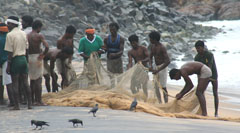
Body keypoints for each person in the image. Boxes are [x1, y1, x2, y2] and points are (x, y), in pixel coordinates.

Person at [4, 16, 32, 110]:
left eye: (8, 24)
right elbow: (27, 49)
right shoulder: (23, 33)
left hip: (15, 60)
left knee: (15, 83)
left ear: (12, 24)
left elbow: (10, 52)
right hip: (23, 58)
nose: (7, 26)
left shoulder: (10, 35)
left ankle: (17, 105)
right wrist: (27, 61)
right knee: (25, 82)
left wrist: (8, 65)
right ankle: (30, 104)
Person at [194, 40, 219, 117]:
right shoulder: (197, 57)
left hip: (213, 75)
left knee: (215, 92)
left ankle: (216, 113)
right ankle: (204, 111)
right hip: (203, 75)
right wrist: (199, 80)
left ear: (203, 47)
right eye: (196, 48)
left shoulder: (209, 54)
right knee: (201, 92)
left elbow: (209, 67)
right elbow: (197, 70)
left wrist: (206, 78)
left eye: (199, 48)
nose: (198, 50)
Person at [27, 20, 49, 105]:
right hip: (37, 57)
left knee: (32, 80)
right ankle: (38, 100)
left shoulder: (27, 35)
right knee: (38, 80)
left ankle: (32, 100)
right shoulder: (39, 35)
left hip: (29, 57)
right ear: (39, 27)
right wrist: (43, 54)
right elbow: (47, 46)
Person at [149, 31, 170, 104]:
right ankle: (160, 102)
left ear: (154, 39)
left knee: (163, 87)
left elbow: (168, 61)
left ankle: (166, 103)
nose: (149, 40)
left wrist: (158, 70)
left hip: (162, 68)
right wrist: (151, 65)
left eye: (150, 39)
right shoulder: (153, 46)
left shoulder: (162, 47)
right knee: (156, 86)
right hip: (156, 66)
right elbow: (150, 56)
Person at [0, 23, 14, 106]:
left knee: (4, 82)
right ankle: (13, 100)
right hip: (10, 61)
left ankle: (4, 99)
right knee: (10, 82)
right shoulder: (9, 37)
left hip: (3, 62)